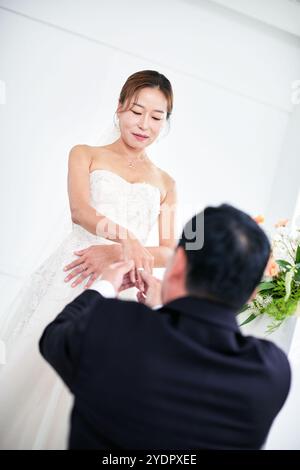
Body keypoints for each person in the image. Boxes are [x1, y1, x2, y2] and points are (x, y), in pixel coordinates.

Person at [0, 70, 177, 449]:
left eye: (156, 117)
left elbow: (167, 250)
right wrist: (126, 236)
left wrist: (119, 251)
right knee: (41, 363)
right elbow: (80, 211)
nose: (144, 124)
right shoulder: (85, 154)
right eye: (136, 111)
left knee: (101, 384)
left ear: (166, 121)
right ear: (119, 108)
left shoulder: (166, 183)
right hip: (74, 271)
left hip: (125, 288)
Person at [39, 204, 291, 450]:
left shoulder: (110, 324)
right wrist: (163, 309)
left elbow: (54, 338)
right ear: (252, 293)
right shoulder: (270, 373)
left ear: (179, 262)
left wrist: (104, 286)